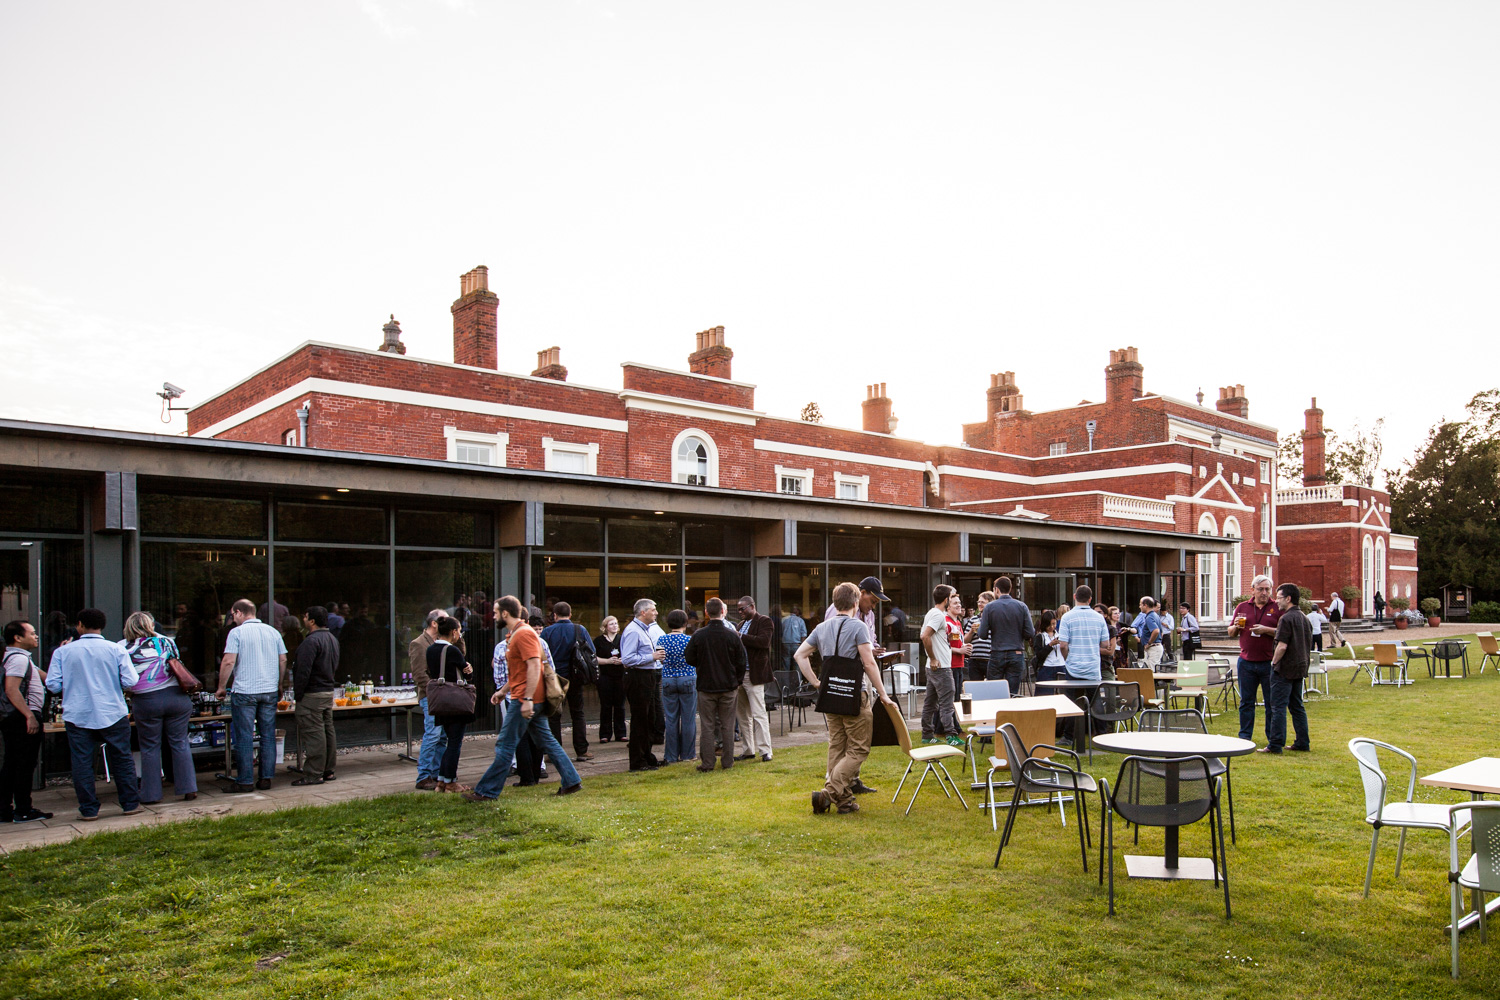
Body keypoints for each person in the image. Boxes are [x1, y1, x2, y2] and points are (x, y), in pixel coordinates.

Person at [464, 596, 583, 800]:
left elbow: (534, 666)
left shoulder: (524, 634)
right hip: (525, 697)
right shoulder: (515, 634)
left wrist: (527, 699)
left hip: (524, 700)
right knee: (547, 741)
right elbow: (520, 671)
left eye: (495, 612)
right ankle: (571, 781)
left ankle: (487, 791)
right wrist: (502, 691)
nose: (492, 616)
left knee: (505, 744)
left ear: (505, 613)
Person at [796, 581, 898, 815]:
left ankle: (844, 802)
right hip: (854, 693)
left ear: (834, 602)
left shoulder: (822, 627)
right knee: (859, 749)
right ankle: (828, 794)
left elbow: (800, 655)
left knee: (837, 746)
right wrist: (883, 694)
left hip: (830, 693)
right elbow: (869, 662)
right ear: (855, 602)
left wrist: (816, 682)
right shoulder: (858, 626)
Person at [44, 609, 141, 821]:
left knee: (82, 762)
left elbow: (52, 684)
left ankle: (88, 809)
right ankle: (130, 803)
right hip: (112, 710)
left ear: (79, 624)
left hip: (78, 712)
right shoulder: (115, 649)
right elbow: (131, 681)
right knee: (122, 758)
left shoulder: (63, 652)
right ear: (102, 626)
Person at [121, 612, 198, 804]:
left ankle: (151, 794)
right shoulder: (167, 641)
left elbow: (124, 677)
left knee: (149, 747)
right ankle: (188, 788)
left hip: (147, 701)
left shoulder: (122, 647)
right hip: (177, 699)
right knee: (180, 742)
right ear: (151, 625)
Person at [216, 598, 288, 793]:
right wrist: (279, 683)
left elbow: (229, 661)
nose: (233, 619)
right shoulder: (273, 632)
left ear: (239, 612)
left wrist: (222, 687)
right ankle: (266, 778)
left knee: (245, 737)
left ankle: (245, 780)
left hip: (245, 691)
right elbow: (283, 659)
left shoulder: (236, 633)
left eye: (233, 615)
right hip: (269, 690)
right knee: (267, 736)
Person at [684, 598, 747, 772]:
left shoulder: (699, 635)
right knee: (728, 725)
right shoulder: (732, 635)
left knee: (707, 725)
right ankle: (727, 761)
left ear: (706, 612)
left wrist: (702, 665)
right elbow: (742, 661)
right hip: (728, 686)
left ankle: (707, 762)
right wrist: (738, 680)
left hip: (706, 686)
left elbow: (689, 657)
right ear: (723, 612)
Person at [2, 620, 51, 822]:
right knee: (23, 764)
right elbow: (11, 689)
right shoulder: (18, 659)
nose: (36, 636)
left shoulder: (20, 658)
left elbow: (47, 678)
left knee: (13, 763)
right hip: (21, 716)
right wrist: (29, 715)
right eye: (32, 633)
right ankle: (23, 809)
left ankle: (5, 809)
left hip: (16, 716)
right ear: (18, 638)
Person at [1228, 576, 1283, 745]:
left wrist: (1266, 630)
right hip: (1246, 661)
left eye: (1267, 589)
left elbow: (1283, 632)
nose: (1264, 593)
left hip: (1269, 662)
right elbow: (1230, 633)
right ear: (1253, 590)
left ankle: (1271, 738)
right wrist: (1236, 626)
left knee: (1271, 703)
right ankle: (1244, 737)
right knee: (1246, 702)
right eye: (1261, 589)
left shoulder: (1277, 608)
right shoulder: (1243, 607)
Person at [291, 605, 339, 786]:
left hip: (312, 693)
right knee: (327, 730)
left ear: (312, 621)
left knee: (314, 733)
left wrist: (298, 694)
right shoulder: (332, 639)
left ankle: (313, 773)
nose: (303, 620)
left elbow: (303, 671)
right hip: (327, 690)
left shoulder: (311, 642)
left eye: (305, 617)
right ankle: (328, 770)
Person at [540, 602, 593, 762]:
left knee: (554, 715)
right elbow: (591, 651)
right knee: (578, 713)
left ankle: (554, 752)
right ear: (570, 614)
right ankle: (581, 750)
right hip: (575, 676)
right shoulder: (580, 629)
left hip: (555, 677)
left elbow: (540, 654)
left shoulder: (548, 632)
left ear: (554, 615)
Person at [427, 616, 475, 791]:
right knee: (455, 742)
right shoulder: (453, 651)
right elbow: (467, 674)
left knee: (448, 740)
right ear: (454, 632)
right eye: (459, 630)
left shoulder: (430, 650)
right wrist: (469, 670)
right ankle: (450, 781)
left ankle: (441, 780)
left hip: (440, 700)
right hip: (455, 700)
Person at [410, 609, 456, 791]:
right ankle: (423, 776)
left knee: (442, 736)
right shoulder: (419, 644)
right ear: (434, 623)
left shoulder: (443, 642)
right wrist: (435, 693)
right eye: (443, 620)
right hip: (431, 696)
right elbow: (419, 674)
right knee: (433, 734)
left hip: (443, 695)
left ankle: (438, 773)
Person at [1264, 584, 1313, 755]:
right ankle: (1302, 742)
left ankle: (1275, 744)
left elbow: (1282, 646)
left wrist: (1273, 663)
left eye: (1278, 597)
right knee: (1297, 706)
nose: (1276, 601)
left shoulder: (1286, 619)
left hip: (1284, 668)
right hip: (1300, 667)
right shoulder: (1304, 618)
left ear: (1288, 598)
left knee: (1278, 706)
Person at [619, 598, 666, 772]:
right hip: (638, 677)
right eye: (653, 610)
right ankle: (637, 761)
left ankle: (647, 757)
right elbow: (627, 659)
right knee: (640, 719)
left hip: (648, 676)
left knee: (649, 718)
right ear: (643, 612)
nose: (656, 613)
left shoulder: (643, 630)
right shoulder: (633, 631)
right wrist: (651, 657)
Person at [919, 584, 963, 748]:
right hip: (941, 667)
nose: (953, 600)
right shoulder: (938, 616)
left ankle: (927, 735)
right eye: (951, 597)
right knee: (947, 702)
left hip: (933, 668)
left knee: (930, 702)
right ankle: (951, 735)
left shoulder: (932, 613)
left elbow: (927, 635)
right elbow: (925, 636)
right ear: (946, 600)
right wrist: (933, 658)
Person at [734, 596, 776, 762]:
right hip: (739, 676)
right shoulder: (740, 625)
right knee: (742, 716)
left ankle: (765, 751)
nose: (740, 612)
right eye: (738, 609)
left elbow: (764, 642)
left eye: (742, 609)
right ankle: (748, 749)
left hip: (754, 674)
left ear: (752, 606)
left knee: (759, 713)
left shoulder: (764, 621)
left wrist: (740, 637)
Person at [976, 576, 1034, 693]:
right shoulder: (1022, 606)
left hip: (997, 652)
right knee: (1012, 692)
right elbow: (1030, 633)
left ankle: (996, 711)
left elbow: (982, 634)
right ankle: (1010, 710)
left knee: (994, 691)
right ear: (1010, 589)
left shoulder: (990, 608)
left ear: (996, 590)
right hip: (1016, 652)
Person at [656, 610, 696, 764]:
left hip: (668, 679)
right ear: (685, 623)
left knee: (671, 719)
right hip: (687, 678)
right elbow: (694, 658)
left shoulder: (662, 639)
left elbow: (660, 660)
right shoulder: (689, 640)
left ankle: (671, 756)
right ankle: (688, 754)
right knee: (688, 719)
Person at [1057, 585, 1111, 683]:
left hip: (1073, 668)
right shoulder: (1099, 618)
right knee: (1094, 698)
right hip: (1093, 668)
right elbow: (1105, 644)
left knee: (1072, 698)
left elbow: (1063, 645)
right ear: (1090, 599)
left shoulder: (1066, 617)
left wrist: (1067, 659)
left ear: (1074, 597)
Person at [824, 577, 888, 656]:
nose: (874, 606)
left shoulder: (870, 614)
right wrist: (866, 652)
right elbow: (832, 642)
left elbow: (871, 640)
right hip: (841, 664)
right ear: (862, 593)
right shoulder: (839, 608)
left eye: (876, 603)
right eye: (872, 601)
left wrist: (878, 651)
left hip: (860, 666)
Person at [593, 616, 627, 744]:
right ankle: (605, 734)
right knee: (606, 705)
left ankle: (621, 733)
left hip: (620, 676)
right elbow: (593, 658)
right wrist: (607, 661)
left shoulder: (622, 639)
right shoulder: (599, 641)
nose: (614, 626)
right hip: (605, 676)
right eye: (611, 624)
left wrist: (622, 661)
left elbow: (629, 654)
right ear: (605, 627)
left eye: (616, 623)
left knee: (620, 705)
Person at [964, 592, 993, 684]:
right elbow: (964, 640)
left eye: (983, 602)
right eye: (979, 602)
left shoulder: (995, 619)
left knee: (991, 687)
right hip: (974, 660)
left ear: (990, 604)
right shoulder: (972, 620)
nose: (979, 604)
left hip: (990, 659)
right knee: (976, 687)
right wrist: (971, 631)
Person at [946, 592, 971, 697]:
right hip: (950, 665)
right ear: (948, 607)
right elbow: (941, 645)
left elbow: (959, 641)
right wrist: (959, 650)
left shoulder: (958, 622)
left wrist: (966, 646)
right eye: (955, 603)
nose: (959, 605)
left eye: (959, 603)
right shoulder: (946, 622)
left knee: (957, 696)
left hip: (959, 664)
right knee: (951, 698)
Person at [1033, 610, 1066, 685]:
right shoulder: (1040, 637)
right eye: (1049, 625)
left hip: (1061, 666)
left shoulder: (1060, 635)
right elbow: (1039, 655)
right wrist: (1050, 645)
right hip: (1047, 667)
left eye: (1054, 624)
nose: (1052, 627)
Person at [1131, 597, 1165, 669]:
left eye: (1140, 605)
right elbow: (1161, 633)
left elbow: (1156, 631)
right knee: (1148, 671)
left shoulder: (1150, 617)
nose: (1139, 607)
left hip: (1153, 648)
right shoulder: (1155, 615)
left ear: (1145, 605)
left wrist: (1149, 643)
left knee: (1150, 673)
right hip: (1155, 647)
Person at [779, 605, 808, 671]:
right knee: (797, 664)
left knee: (786, 664)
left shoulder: (784, 620)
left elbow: (780, 632)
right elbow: (803, 634)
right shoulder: (800, 621)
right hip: (796, 644)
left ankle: (786, 680)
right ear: (797, 612)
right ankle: (797, 680)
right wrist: (803, 646)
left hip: (785, 643)